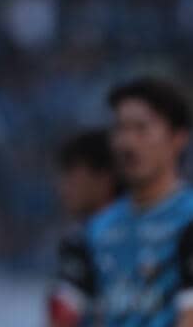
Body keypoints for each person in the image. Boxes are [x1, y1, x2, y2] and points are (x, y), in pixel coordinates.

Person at [62, 77, 193, 326]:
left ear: (178, 138)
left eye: (141, 129)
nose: (127, 142)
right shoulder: (96, 229)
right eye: (120, 128)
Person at [49, 129, 122, 327]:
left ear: (104, 178)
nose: (63, 188)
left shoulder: (82, 241)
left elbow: (61, 319)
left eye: (71, 176)